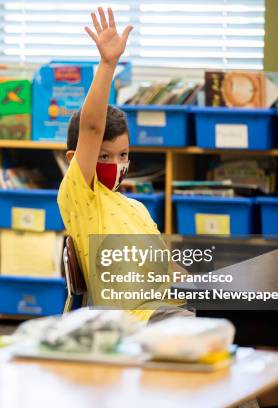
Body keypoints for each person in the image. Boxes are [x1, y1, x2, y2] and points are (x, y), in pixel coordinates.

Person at [57, 7, 191, 323]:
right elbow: (91, 128)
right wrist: (108, 64)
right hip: (133, 320)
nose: (116, 164)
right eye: (103, 156)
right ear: (75, 160)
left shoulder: (136, 210)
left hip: (169, 307)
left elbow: (169, 267)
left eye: (123, 155)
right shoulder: (81, 197)